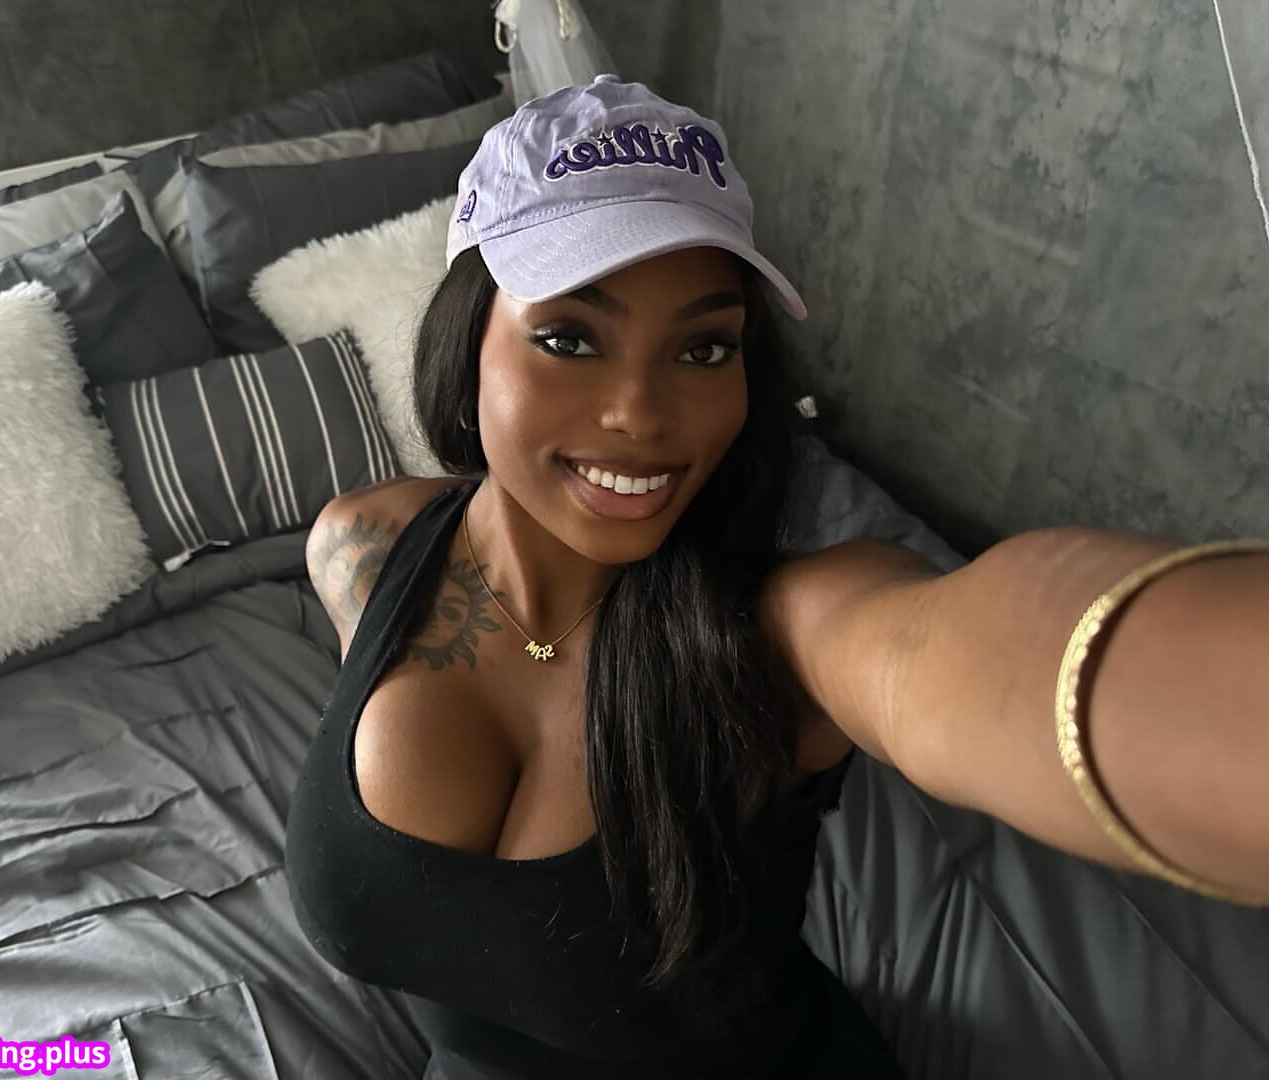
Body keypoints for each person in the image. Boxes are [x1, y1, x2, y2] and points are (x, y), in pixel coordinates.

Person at [285, 75, 1269, 1080]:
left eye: (705, 347)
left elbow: (953, 650)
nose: (641, 412)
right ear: (467, 341)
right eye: (570, 338)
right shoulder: (363, 549)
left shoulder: (779, 639)